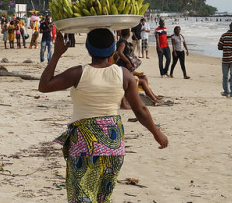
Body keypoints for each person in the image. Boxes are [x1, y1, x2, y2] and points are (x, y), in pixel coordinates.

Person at [38, 29, 168, 202]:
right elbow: (141, 110)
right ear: (113, 49)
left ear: (88, 49)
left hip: (84, 143)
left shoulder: (78, 73)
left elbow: (44, 86)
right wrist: (157, 133)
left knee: (82, 197)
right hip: (113, 145)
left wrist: (57, 55)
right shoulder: (124, 75)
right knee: (103, 198)